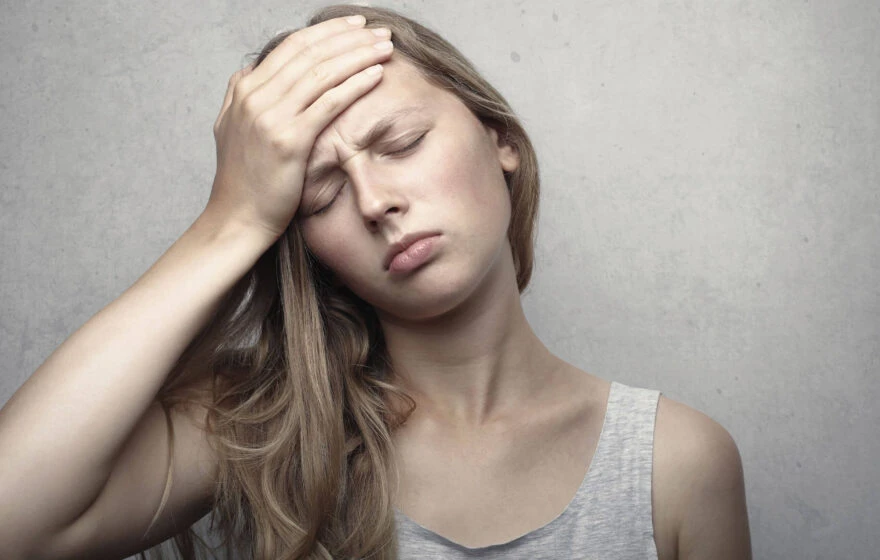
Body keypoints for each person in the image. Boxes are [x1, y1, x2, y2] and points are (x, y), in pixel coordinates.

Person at [0, 4, 752, 559]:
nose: (374, 201)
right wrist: (229, 221)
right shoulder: (266, 435)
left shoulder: (674, 462)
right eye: (320, 195)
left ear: (501, 142)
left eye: (402, 142)